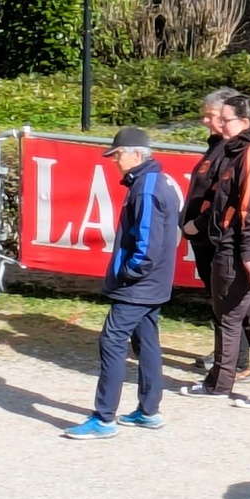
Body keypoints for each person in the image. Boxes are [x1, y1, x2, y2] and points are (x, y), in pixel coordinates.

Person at [65, 127, 180, 439]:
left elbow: (147, 243)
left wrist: (129, 273)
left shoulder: (146, 187)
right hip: (153, 282)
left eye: (117, 154)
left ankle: (104, 418)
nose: (114, 160)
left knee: (112, 341)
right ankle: (148, 410)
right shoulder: (156, 181)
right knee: (147, 343)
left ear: (137, 154)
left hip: (139, 283)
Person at [179, 94, 250, 407]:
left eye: (225, 119)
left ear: (244, 123)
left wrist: (249, 256)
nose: (219, 124)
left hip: (241, 247)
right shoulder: (234, 150)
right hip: (240, 245)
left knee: (229, 316)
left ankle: (220, 383)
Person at [181, 88, 250, 383]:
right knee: (217, 300)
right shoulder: (217, 146)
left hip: (216, 236)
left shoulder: (233, 151)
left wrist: (197, 224)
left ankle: (237, 363)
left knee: (229, 300)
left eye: (210, 116)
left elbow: (223, 198)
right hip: (205, 237)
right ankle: (225, 354)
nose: (205, 121)